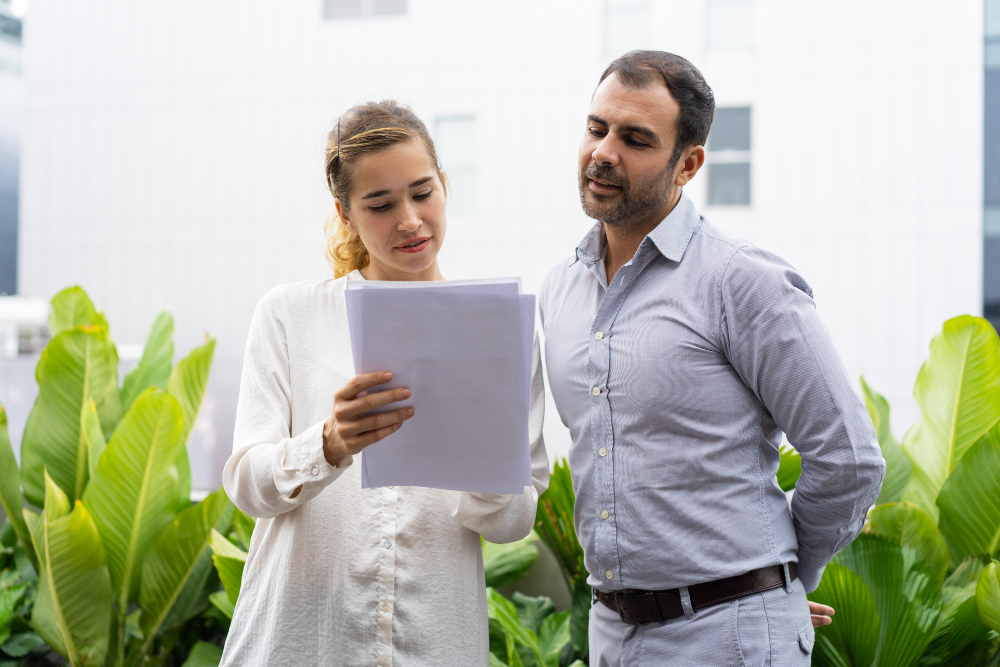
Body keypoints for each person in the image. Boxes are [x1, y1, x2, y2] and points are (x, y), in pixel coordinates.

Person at [539, 51, 885, 666]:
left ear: (688, 164)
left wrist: (777, 578)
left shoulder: (741, 282)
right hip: (612, 637)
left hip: (732, 640)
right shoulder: (560, 289)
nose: (604, 152)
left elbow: (849, 458)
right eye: (597, 128)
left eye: (636, 139)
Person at [219, 100, 549, 667]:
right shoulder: (290, 315)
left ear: (445, 184)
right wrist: (327, 444)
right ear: (345, 214)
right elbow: (248, 488)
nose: (410, 220)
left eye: (423, 193)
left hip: (435, 642)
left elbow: (513, 521)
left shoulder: (499, 328)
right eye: (380, 204)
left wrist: (483, 451)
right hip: (303, 640)